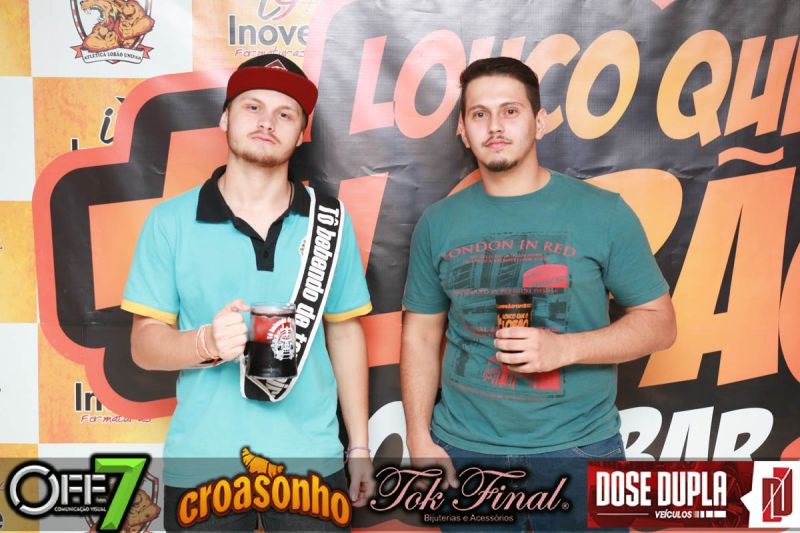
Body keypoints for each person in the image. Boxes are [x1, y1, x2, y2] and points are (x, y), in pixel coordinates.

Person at [401, 57, 677, 531]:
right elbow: (420, 336)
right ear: (463, 131)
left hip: (581, 449)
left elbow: (660, 324)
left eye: (510, 111)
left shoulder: (603, 212)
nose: (495, 126)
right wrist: (418, 438)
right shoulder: (438, 222)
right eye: (479, 114)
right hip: (465, 453)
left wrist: (564, 349)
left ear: (540, 121)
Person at [122, 54, 374, 531]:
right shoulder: (169, 221)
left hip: (310, 458)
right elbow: (143, 345)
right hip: (204, 458)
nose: (267, 122)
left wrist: (359, 445)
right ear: (225, 118)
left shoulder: (330, 222)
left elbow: (344, 333)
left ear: (301, 134)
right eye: (252, 106)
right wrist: (205, 343)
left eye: (285, 113)